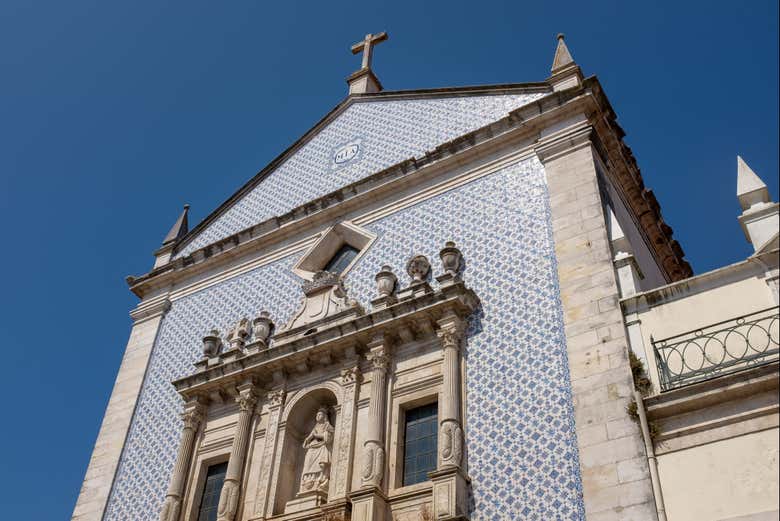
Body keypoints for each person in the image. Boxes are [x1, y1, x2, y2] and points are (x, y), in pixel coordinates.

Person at [300, 406, 334, 493]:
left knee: (321, 465)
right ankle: (308, 480)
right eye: (317, 415)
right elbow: (309, 437)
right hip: (312, 448)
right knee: (308, 464)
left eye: (320, 415)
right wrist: (307, 440)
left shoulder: (327, 426)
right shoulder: (315, 427)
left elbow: (328, 438)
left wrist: (316, 436)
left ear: (324, 416)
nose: (317, 416)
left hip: (322, 447)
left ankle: (320, 480)